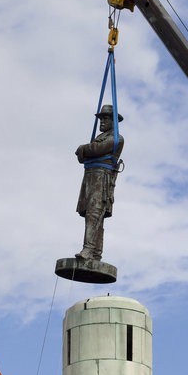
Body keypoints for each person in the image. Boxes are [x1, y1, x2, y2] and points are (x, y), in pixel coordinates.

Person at [75, 105, 124, 261]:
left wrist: (83, 148)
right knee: (93, 214)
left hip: (101, 178)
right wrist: (86, 150)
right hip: (91, 177)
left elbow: (96, 150)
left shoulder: (116, 138)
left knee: (95, 213)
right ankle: (96, 253)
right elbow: (83, 157)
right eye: (101, 118)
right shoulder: (99, 137)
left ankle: (89, 249)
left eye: (105, 118)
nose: (102, 121)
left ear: (114, 122)